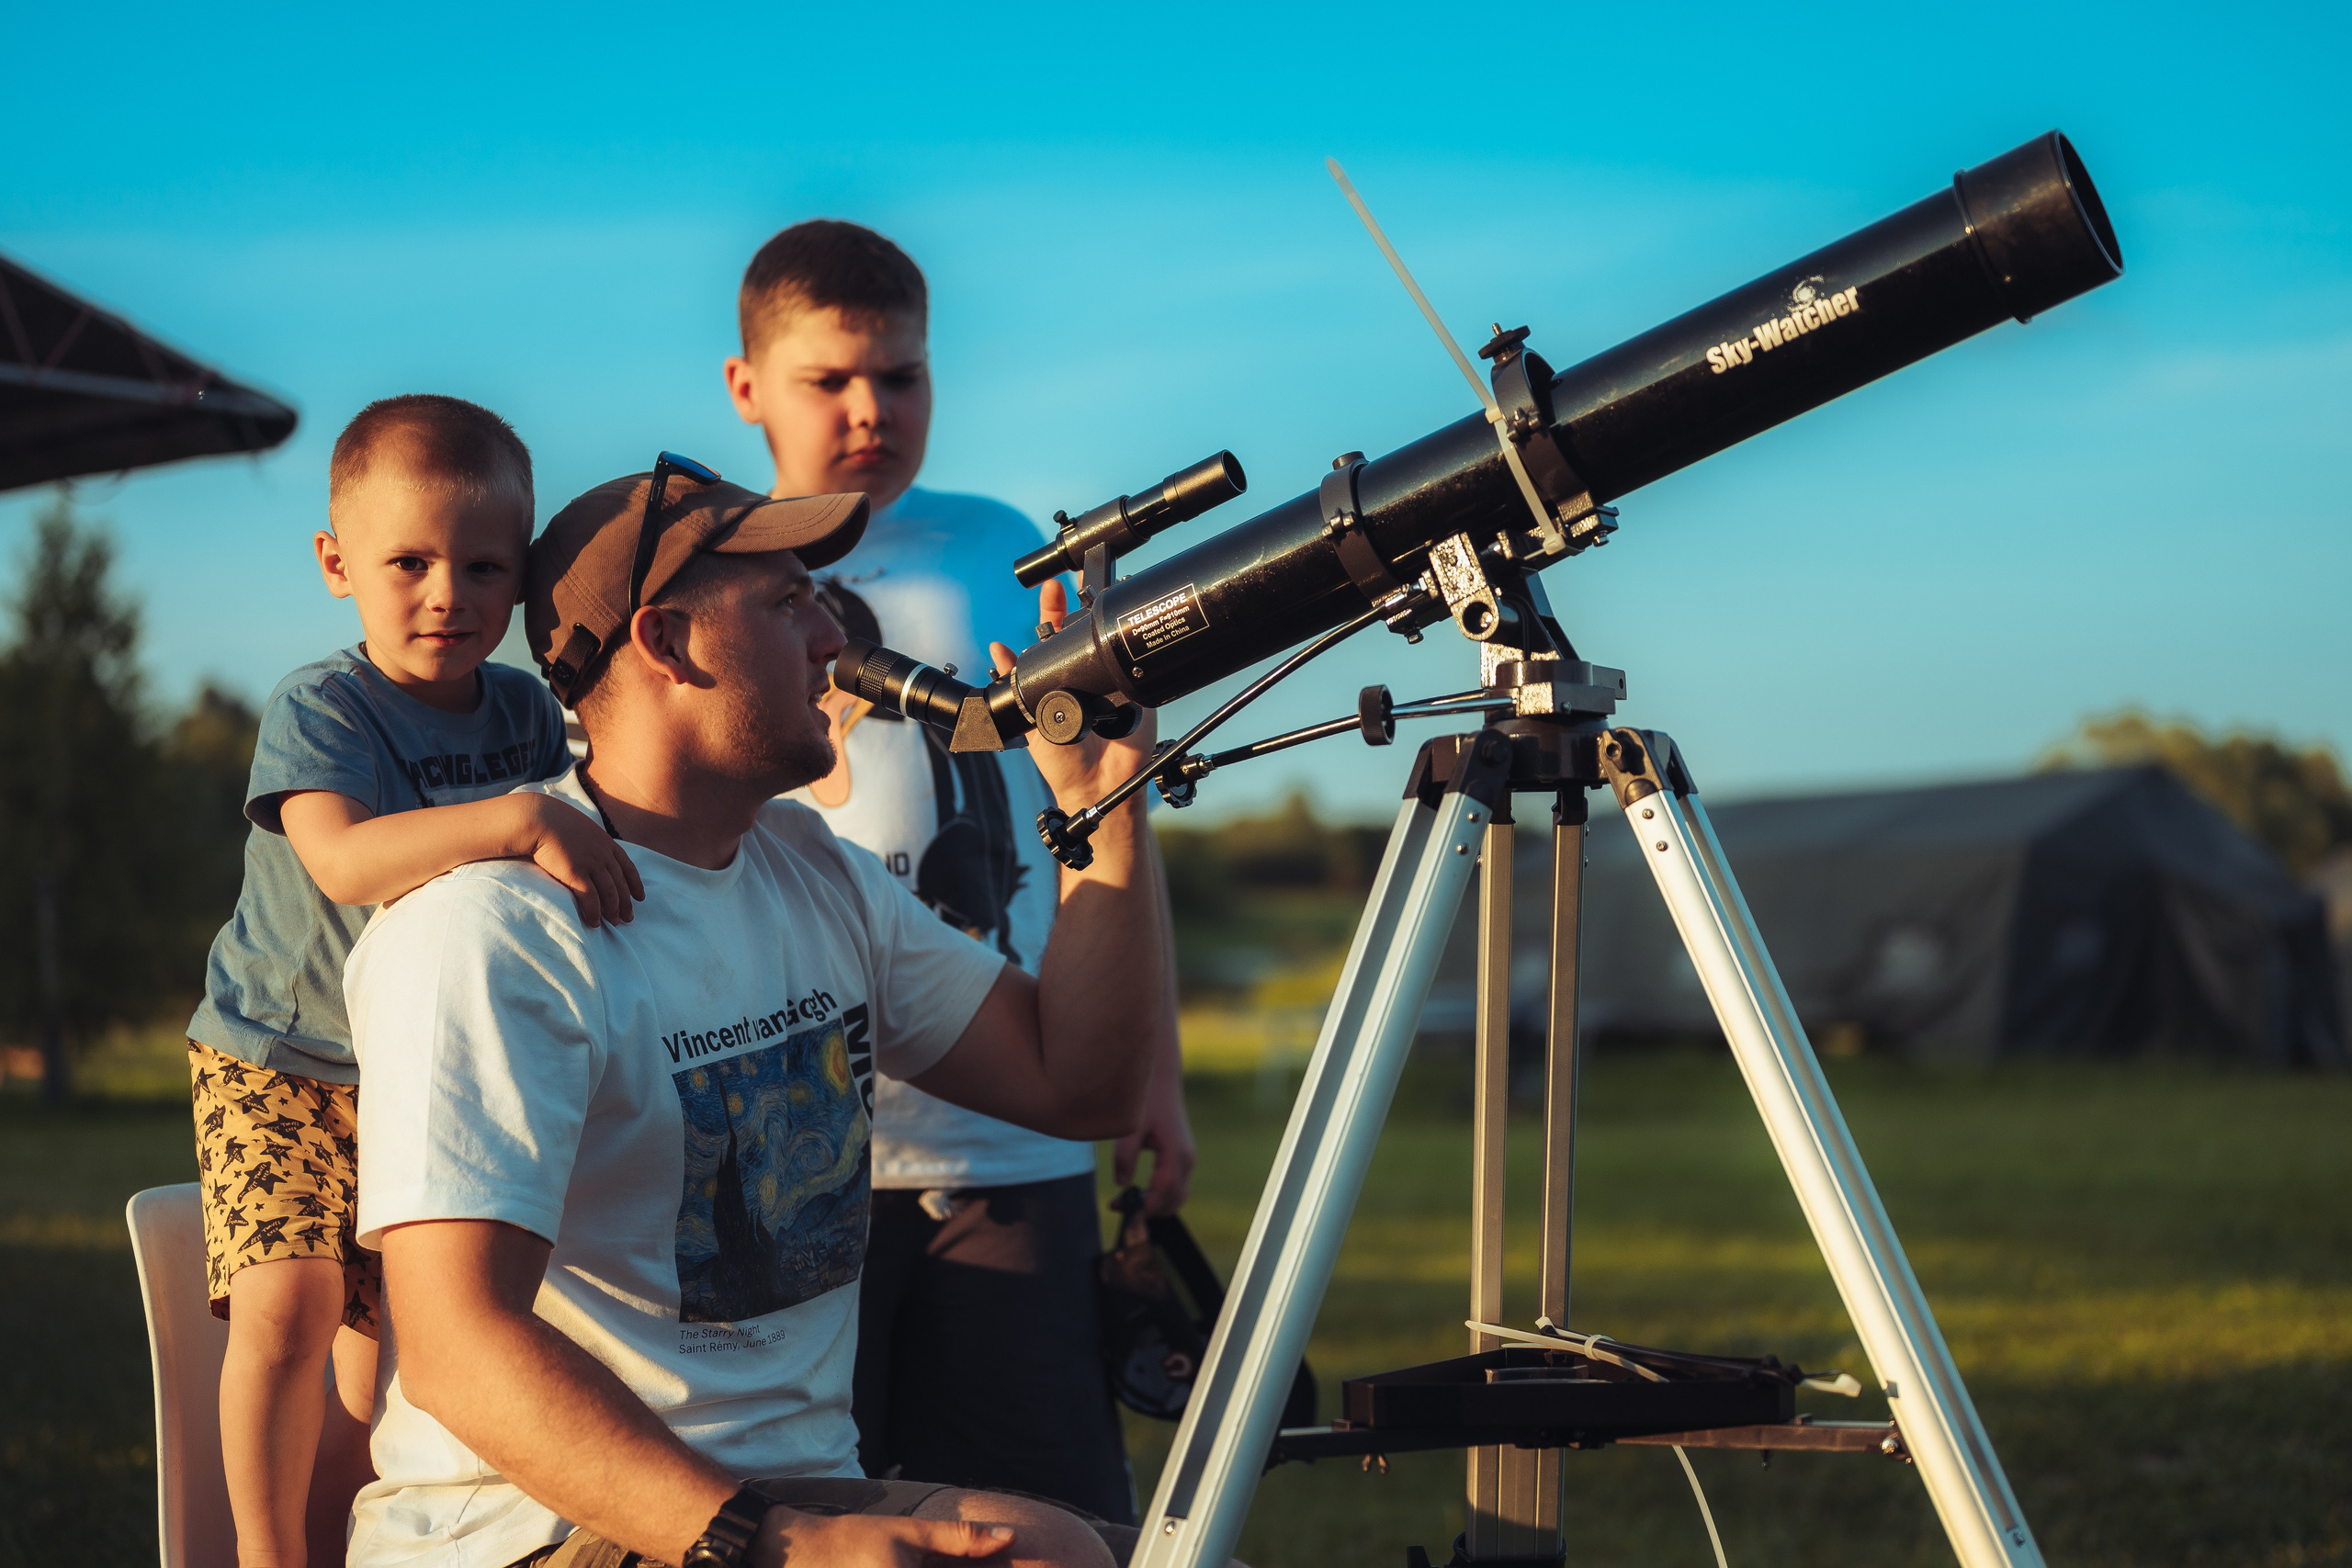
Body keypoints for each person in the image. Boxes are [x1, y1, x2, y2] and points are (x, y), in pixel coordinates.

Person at [341, 466, 1170, 1568]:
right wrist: (767, 1541)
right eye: (789, 604)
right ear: (670, 643)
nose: (834, 636)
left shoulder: (807, 871)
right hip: (532, 1528)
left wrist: (1104, 807)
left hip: (784, 1492)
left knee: (1131, 1551)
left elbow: (1080, 1085)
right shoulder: (493, 931)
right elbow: (456, 1346)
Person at [721, 220, 1192, 1521]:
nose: (871, 410)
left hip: (1017, 1127)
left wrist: (1151, 1061)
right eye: (830, 380)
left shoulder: (1005, 549)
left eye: (904, 375)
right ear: (746, 387)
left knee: (1038, 1510)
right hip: (793, 1147)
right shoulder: (714, 573)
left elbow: (1111, 811)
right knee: (817, 1507)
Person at [184, 395, 643, 1568]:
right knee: (289, 1310)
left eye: (485, 566)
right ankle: (262, 1553)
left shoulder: (527, 713)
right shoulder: (323, 706)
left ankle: (341, 1542)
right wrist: (513, 816)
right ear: (338, 565)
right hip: (276, 1057)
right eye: (410, 562)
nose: (449, 593)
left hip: (411, 1067)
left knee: (374, 1359)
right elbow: (338, 860)